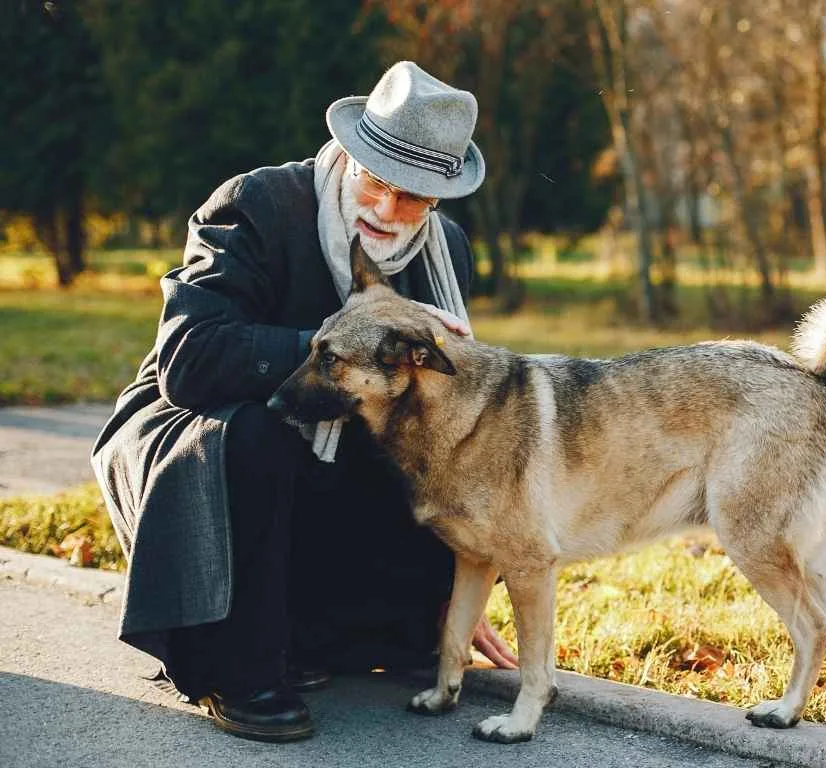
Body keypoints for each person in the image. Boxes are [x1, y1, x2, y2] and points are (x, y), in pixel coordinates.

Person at [90, 61, 517, 743]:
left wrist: (460, 585)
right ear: (349, 155)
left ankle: (338, 633)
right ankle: (239, 666)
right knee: (261, 433)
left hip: (344, 444)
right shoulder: (255, 204)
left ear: (439, 199)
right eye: (376, 182)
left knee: (465, 440)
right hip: (207, 424)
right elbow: (189, 360)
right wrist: (341, 353)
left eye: (412, 200)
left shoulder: (448, 254)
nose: (386, 210)